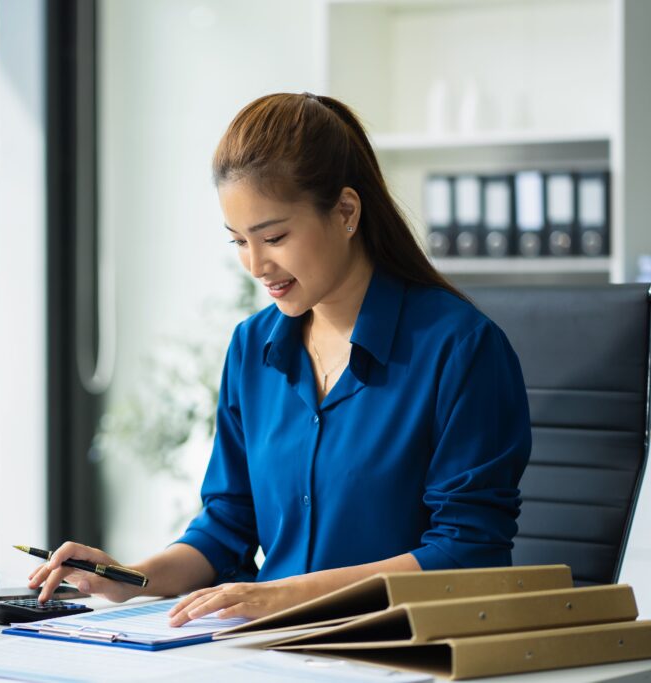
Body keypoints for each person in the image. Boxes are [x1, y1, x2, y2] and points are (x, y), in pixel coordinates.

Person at [29, 92, 531, 627]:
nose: (256, 264)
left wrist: (290, 594)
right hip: (270, 649)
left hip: (401, 650)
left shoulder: (460, 347)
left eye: (274, 236)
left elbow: (468, 554)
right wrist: (130, 577)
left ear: (345, 212)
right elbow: (227, 527)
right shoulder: (253, 348)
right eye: (238, 242)